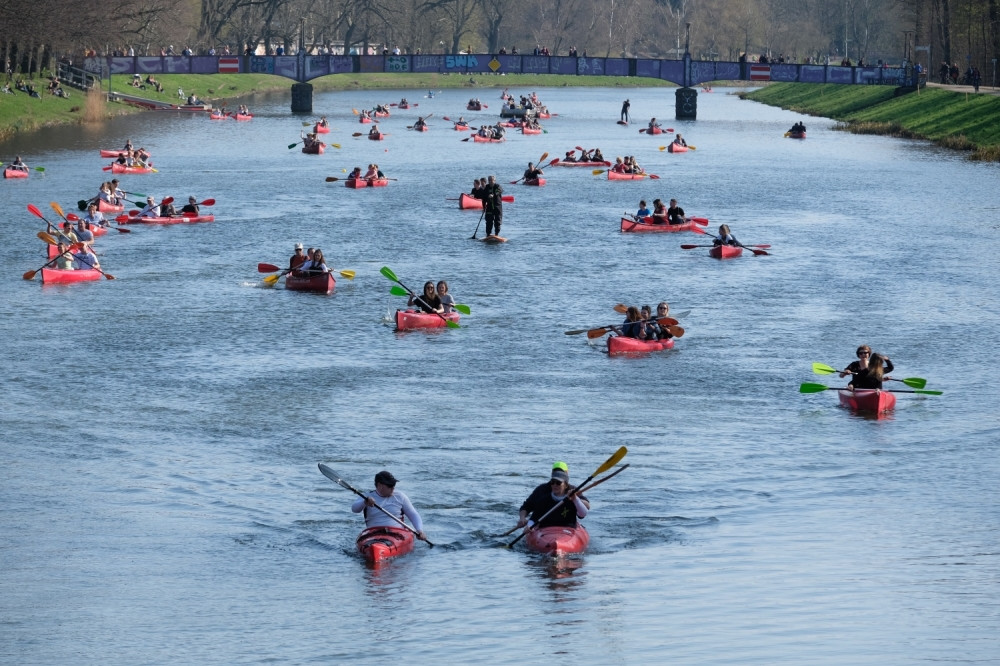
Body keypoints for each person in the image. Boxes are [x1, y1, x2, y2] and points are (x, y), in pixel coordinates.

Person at [351, 470, 428, 542]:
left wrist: (419, 530)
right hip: (373, 533)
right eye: (390, 485)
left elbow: (413, 515)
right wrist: (364, 502)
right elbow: (354, 509)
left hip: (397, 534)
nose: (393, 488)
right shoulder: (367, 497)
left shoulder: (400, 496)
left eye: (394, 485)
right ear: (380, 485)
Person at [516, 462, 590, 530]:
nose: (555, 485)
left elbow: (583, 514)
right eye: (553, 482)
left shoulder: (573, 491)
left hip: (568, 529)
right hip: (546, 529)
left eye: (558, 483)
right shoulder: (542, 494)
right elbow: (531, 514)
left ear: (566, 484)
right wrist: (525, 522)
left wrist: (575, 499)